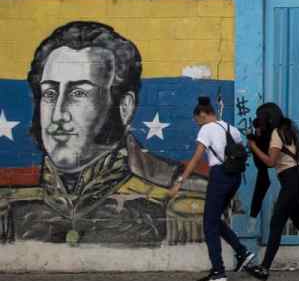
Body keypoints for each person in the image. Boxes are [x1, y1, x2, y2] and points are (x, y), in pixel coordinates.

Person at [1, 20, 205, 245]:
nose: (58, 114)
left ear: (124, 107)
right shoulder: (11, 203)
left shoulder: (184, 201)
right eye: (50, 93)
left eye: (78, 93)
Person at [170, 97, 254, 281]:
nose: (196, 123)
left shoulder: (207, 129)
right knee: (214, 219)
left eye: (196, 119)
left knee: (209, 223)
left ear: (203, 114)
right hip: (234, 178)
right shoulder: (232, 129)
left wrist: (180, 182)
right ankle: (242, 252)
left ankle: (218, 271)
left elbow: (196, 158)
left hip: (220, 176)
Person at [244, 103, 299, 281]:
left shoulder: (276, 133)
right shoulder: (288, 128)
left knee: (276, 224)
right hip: (296, 179)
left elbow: (270, 162)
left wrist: (253, 146)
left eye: (261, 117)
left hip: (290, 181)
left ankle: (264, 269)